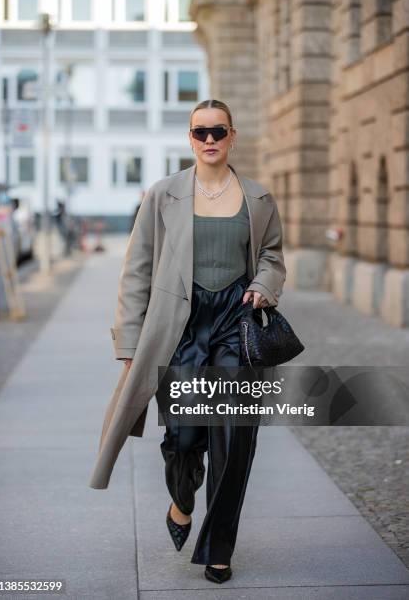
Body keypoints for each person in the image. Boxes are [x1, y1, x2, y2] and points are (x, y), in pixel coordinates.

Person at [118, 99, 287, 584]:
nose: (209, 140)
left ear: (233, 136)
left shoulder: (258, 198)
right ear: (189, 138)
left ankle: (218, 549)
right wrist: (129, 341)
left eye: (218, 132)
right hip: (180, 327)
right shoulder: (163, 195)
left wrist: (264, 285)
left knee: (235, 440)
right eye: (200, 133)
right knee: (184, 436)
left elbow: (273, 255)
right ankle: (182, 499)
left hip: (238, 324)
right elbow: (137, 270)